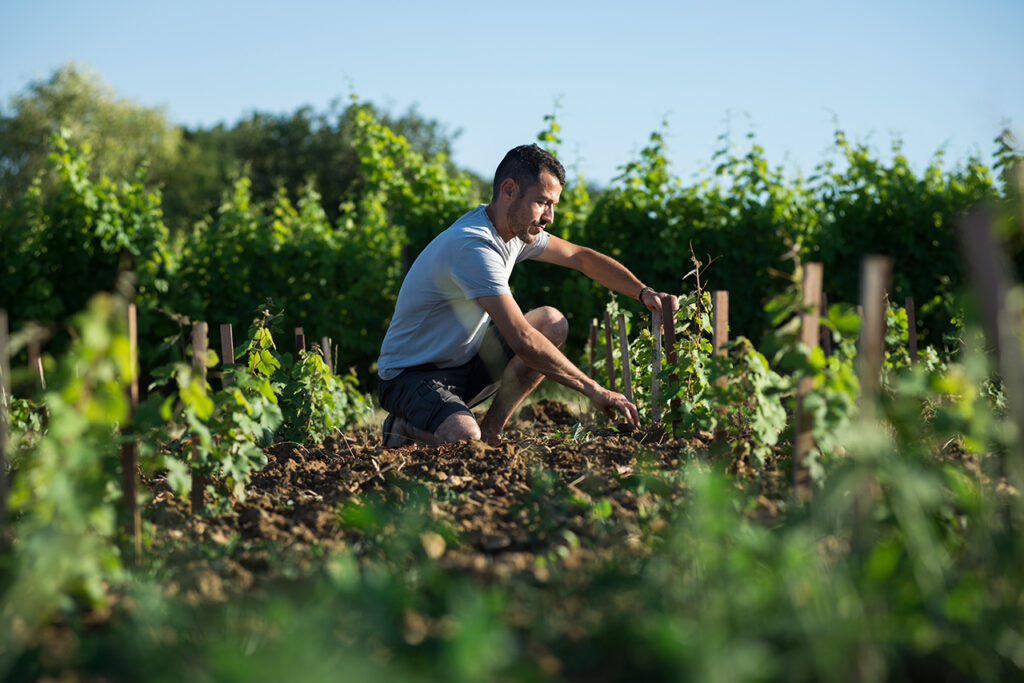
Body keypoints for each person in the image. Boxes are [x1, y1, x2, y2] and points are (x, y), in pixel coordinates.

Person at [377, 143, 678, 447]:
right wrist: (593, 389)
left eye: (553, 205)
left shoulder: (516, 233)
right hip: (408, 377)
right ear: (508, 190)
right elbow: (521, 338)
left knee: (551, 323)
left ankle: (492, 431)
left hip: (461, 365)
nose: (549, 217)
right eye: (542, 202)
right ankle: (400, 429)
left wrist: (643, 292)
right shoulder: (474, 246)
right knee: (464, 436)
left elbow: (580, 257)